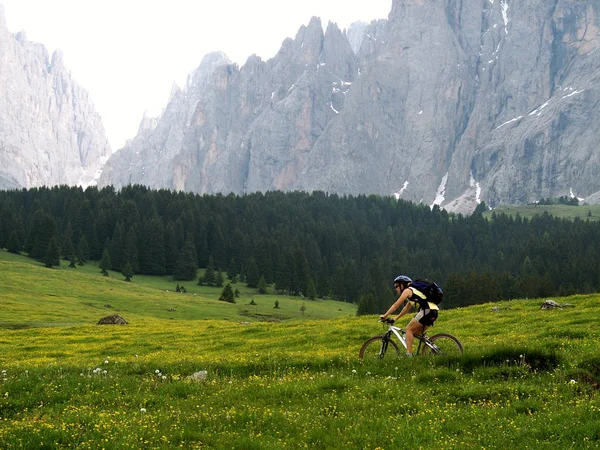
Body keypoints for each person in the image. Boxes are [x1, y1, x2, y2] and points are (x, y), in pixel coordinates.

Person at [379, 275, 439, 357]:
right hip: (434, 311)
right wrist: (396, 318)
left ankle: (409, 354)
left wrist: (385, 316)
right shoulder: (414, 293)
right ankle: (433, 348)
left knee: (408, 329)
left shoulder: (407, 291)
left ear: (402, 285)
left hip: (427, 311)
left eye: (397, 286)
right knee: (416, 333)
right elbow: (406, 308)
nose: (396, 289)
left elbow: (396, 305)